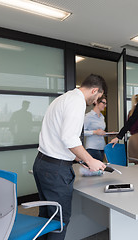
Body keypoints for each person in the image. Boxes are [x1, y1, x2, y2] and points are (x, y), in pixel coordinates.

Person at [33, 74, 107, 240]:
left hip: (42, 163)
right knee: (59, 221)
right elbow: (69, 138)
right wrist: (90, 160)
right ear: (94, 90)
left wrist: (80, 159)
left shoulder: (64, 98)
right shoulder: (76, 102)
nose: (96, 101)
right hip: (55, 171)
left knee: (47, 218)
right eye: (98, 97)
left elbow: (58, 139)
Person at [84, 95, 107, 161]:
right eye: (103, 103)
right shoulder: (88, 116)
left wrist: (106, 133)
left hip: (102, 147)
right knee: (94, 170)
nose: (105, 105)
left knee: (100, 169)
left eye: (106, 103)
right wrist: (95, 132)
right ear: (96, 102)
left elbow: (100, 131)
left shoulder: (102, 117)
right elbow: (81, 132)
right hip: (92, 148)